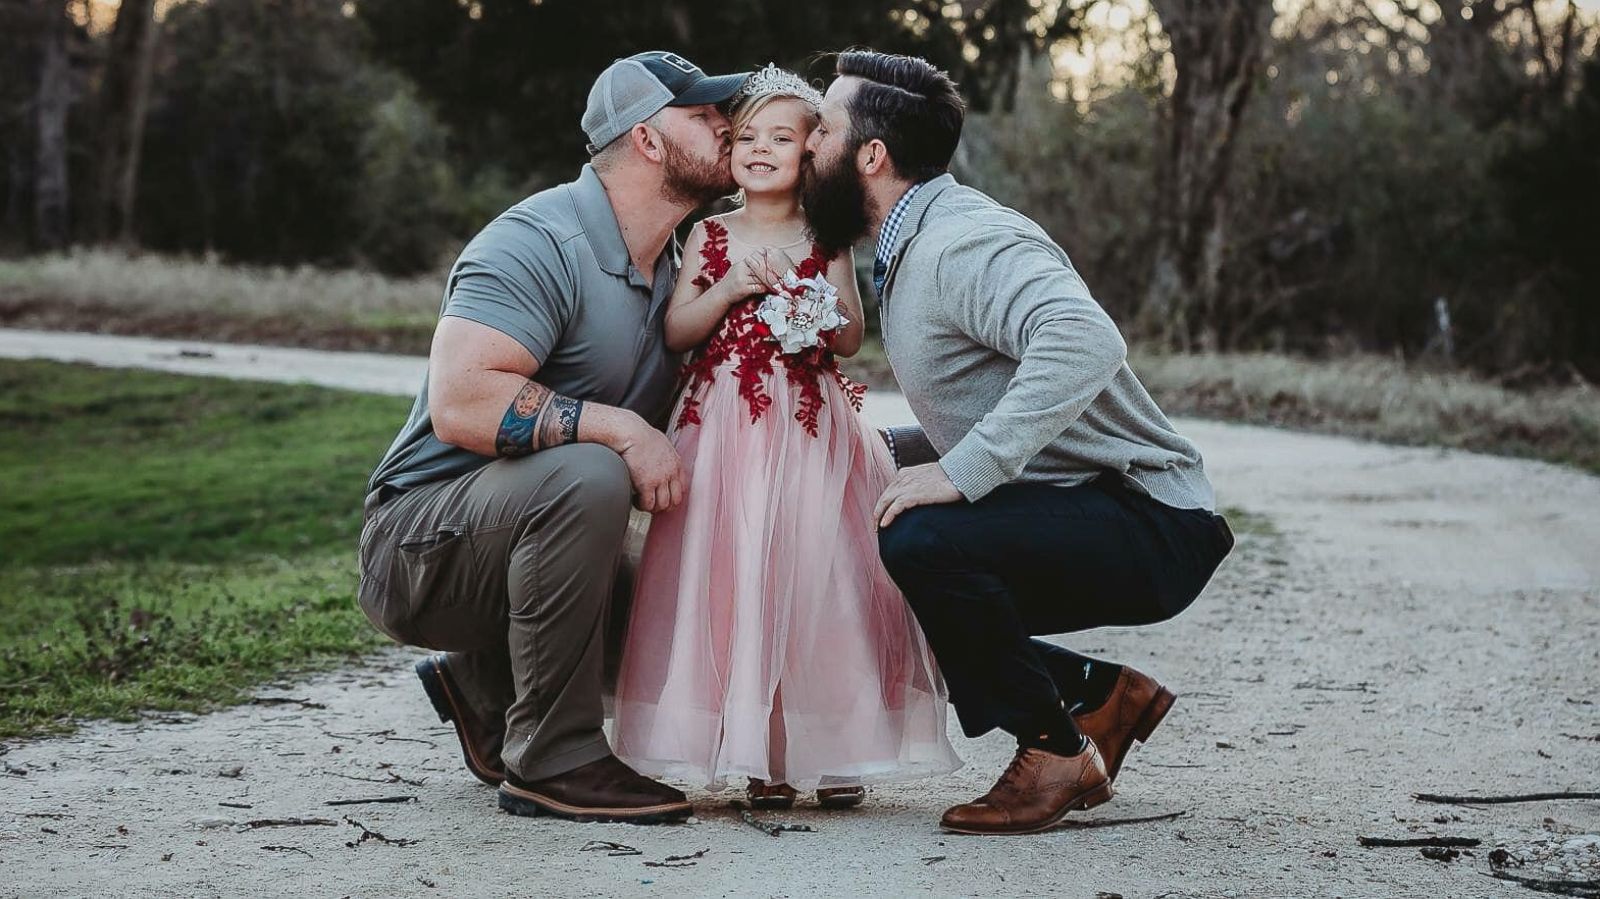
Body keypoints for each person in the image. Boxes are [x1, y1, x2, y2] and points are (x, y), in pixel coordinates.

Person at [801, 50, 1236, 835]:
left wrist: (965, 470)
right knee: (874, 500)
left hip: (1151, 518)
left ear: (871, 155)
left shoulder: (961, 240)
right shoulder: (914, 239)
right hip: (1092, 501)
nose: (804, 143)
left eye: (821, 128)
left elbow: (1083, 338)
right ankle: (1096, 696)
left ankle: (1054, 751)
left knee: (923, 538)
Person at [356, 51, 749, 824]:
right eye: (703, 116)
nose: (726, 127)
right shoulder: (537, 240)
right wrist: (619, 428)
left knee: (704, 600)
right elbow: (463, 402)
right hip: (417, 547)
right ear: (645, 139)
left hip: (519, 535)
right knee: (590, 472)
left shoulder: (680, 271)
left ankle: (485, 683)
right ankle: (553, 758)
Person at [612, 64, 961, 810]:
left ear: (811, 152)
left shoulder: (824, 232)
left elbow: (849, 336)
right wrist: (732, 288)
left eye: (781, 137)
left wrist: (811, 307)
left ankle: (834, 751)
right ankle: (762, 754)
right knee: (736, 579)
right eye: (744, 138)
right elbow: (677, 330)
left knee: (817, 579)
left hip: (810, 433)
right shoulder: (708, 233)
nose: (759, 149)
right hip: (724, 433)